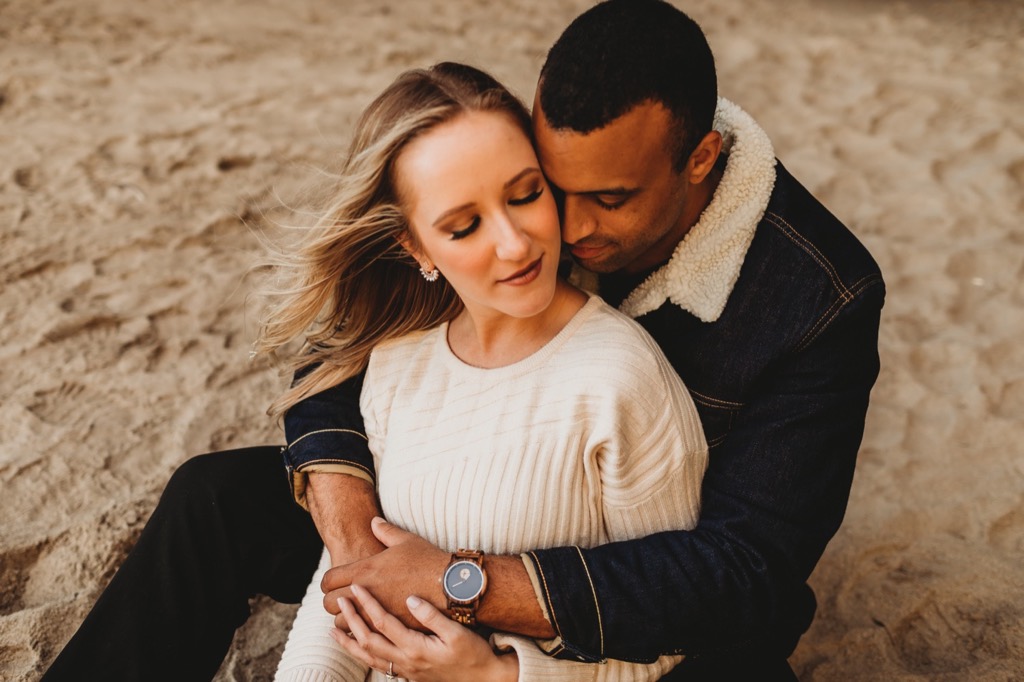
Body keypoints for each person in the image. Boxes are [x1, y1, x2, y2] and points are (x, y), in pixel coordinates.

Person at [43, 1, 885, 680]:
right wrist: (354, 543)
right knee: (213, 497)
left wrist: (467, 586)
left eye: (611, 200)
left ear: (701, 160)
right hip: (450, 503)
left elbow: (745, 570)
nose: (561, 228)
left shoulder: (820, 299)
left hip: (646, 580)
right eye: (547, 187)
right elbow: (348, 341)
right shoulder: (532, 177)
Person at [267, 61, 707, 682]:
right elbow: (354, 580)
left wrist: (499, 673)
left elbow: (673, 630)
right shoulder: (397, 358)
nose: (515, 244)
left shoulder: (620, 379)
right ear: (416, 247)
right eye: (464, 226)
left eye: (526, 194)